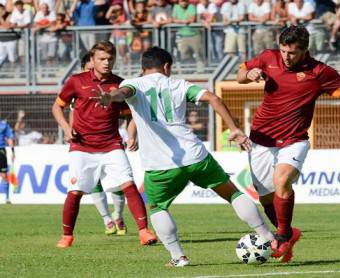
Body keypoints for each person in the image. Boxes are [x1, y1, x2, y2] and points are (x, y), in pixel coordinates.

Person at [91, 46, 275, 267]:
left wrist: (110, 97)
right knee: (232, 193)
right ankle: (270, 238)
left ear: (143, 68)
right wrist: (233, 128)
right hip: (196, 156)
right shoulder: (179, 84)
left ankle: (178, 257)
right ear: (167, 66)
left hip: (160, 165)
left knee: (158, 207)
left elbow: (124, 93)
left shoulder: (134, 83)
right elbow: (214, 99)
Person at [237, 25, 340, 263]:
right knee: (265, 197)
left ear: (305, 50)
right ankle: (290, 233)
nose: (286, 57)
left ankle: (282, 235)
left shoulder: (319, 71)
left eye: (292, 53)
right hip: (261, 138)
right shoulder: (268, 57)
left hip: (294, 140)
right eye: (283, 51)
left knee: (281, 181)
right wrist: (249, 75)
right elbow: (240, 74)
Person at [52, 41, 157, 248]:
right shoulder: (76, 81)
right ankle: (67, 236)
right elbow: (57, 107)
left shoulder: (120, 85)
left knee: (128, 184)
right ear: (92, 60)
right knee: (75, 191)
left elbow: (131, 114)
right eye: (102, 59)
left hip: (111, 145)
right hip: (81, 147)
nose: (106, 63)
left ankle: (144, 232)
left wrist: (132, 133)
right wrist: (66, 128)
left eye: (110, 59)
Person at [69, 52, 128, 236]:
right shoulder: (78, 87)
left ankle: (118, 215)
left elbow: (127, 112)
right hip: (84, 143)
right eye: (87, 69)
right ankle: (107, 219)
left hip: (109, 141)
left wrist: (128, 133)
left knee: (118, 183)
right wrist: (70, 130)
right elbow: (72, 112)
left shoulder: (113, 87)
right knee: (94, 183)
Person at [0, 118, 15, 204]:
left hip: (1, 151)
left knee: (4, 175)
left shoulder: (4, 125)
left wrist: (13, 151)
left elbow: (9, 138)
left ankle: (7, 198)